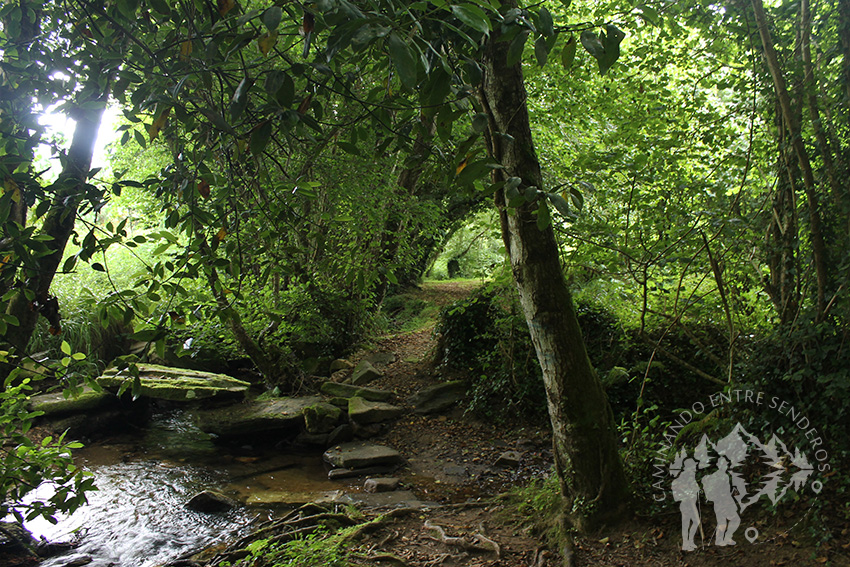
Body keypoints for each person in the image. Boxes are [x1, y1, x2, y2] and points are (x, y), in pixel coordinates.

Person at [701, 456, 741, 546]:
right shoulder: (723, 476)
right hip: (723, 502)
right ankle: (726, 538)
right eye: (723, 464)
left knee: (722, 522)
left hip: (719, 503)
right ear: (719, 465)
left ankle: (720, 540)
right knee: (735, 519)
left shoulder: (717, 476)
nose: (725, 466)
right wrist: (733, 492)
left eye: (726, 464)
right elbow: (723, 492)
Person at [671, 457, 700, 551]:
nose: (694, 468)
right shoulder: (682, 478)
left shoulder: (692, 477)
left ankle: (690, 541)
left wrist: (695, 493)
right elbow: (676, 492)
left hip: (692, 505)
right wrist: (687, 496)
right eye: (693, 466)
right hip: (686, 505)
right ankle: (685, 544)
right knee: (686, 523)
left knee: (695, 522)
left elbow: (696, 489)